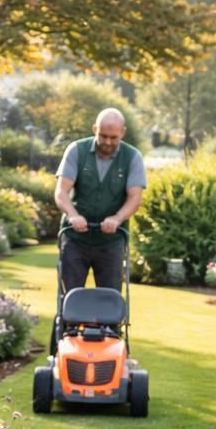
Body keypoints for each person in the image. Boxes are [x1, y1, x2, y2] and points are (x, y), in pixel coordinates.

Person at [53, 108, 147, 293]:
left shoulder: (132, 157)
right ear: (95, 128)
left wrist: (117, 218)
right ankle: (69, 322)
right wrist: (73, 215)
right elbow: (61, 192)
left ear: (123, 132)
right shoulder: (76, 150)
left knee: (109, 297)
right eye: (103, 136)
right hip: (75, 238)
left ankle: (107, 324)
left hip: (111, 240)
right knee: (69, 296)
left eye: (113, 137)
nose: (107, 142)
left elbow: (135, 198)